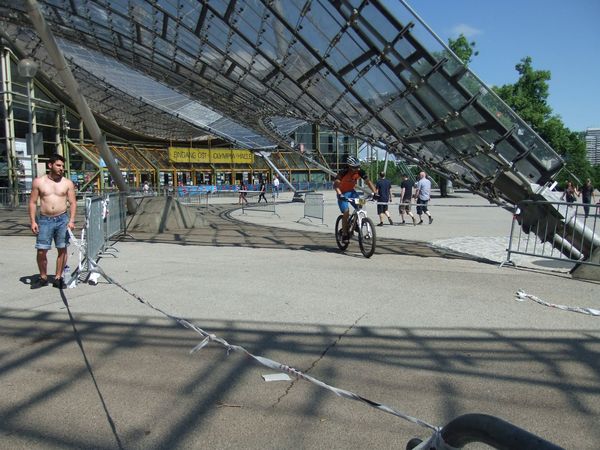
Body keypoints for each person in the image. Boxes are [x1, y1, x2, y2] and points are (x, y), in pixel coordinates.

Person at [29, 154, 77, 289]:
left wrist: (71, 220)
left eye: (62, 166)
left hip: (62, 219)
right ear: (50, 165)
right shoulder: (39, 182)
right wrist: (33, 221)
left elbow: (73, 203)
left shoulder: (67, 183)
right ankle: (43, 277)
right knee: (41, 251)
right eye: (58, 165)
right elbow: (32, 202)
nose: (61, 168)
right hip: (44, 220)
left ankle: (58, 277)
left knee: (62, 249)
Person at [334, 155, 377, 242]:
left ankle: (354, 223)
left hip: (352, 192)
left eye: (358, 167)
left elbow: (368, 182)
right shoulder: (343, 172)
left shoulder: (360, 171)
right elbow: (335, 184)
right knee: (346, 212)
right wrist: (339, 194)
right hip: (342, 193)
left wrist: (375, 193)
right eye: (355, 167)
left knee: (361, 204)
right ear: (349, 167)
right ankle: (345, 233)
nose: (357, 169)